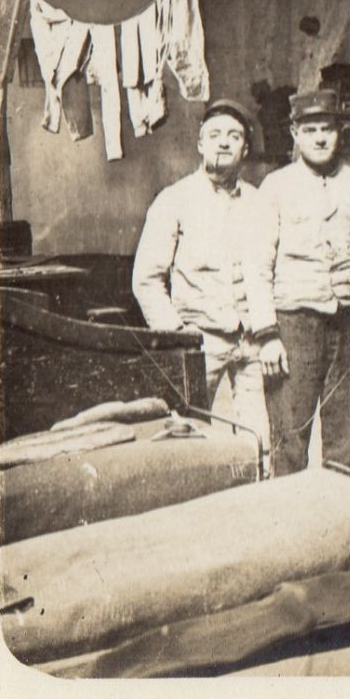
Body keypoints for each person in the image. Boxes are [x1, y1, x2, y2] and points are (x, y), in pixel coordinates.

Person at [245, 89, 350, 477]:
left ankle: (345, 531)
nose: (320, 137)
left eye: (328, 128)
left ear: (340, 132)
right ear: (295, 133)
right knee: (289, 439)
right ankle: (291, 532)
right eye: (310, 129)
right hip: (293, 324)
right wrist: (267, 335)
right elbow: (257, 264)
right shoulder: (275, 186)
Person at [132, 98, 269, 442]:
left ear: (246, 148)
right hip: (200, 343)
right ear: (200, 144)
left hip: (252, 341)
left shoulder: (258, 202)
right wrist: (177, 336)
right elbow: (147, 280)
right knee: (189, 436)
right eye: (215, 135)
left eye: (234, 136)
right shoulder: (174, 199)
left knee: (261, 438)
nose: (224, 142)